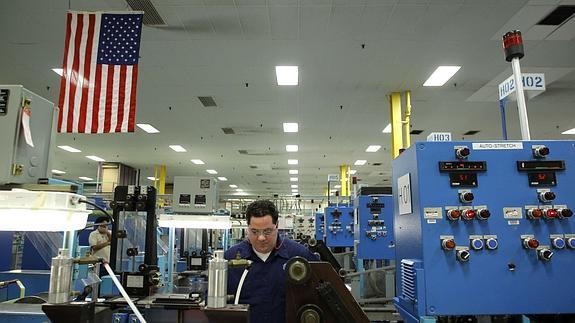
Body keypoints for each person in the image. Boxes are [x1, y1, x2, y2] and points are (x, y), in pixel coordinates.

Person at [225, 200, 319, 323]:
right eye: (254, 231)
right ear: (247, 227)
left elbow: (320, 293)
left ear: (277, 226)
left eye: (267, 231)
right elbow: (212, 303)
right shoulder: (230, 259)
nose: (261, 238)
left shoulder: (298, 255)